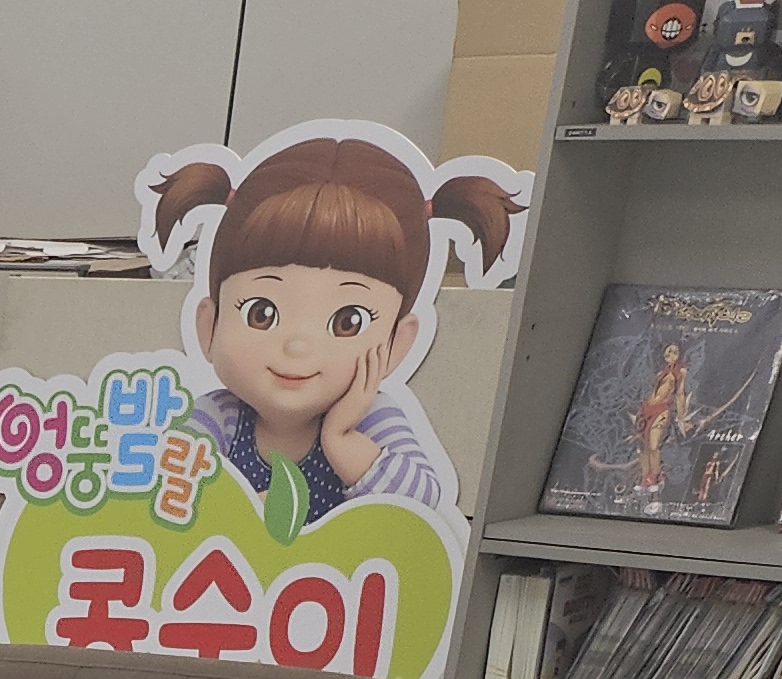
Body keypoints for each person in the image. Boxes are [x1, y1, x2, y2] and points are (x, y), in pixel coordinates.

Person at [143, 135, 525, 537]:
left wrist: (340, 439)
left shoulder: (371, 417)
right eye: (261, 313)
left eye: (347, 322)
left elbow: (422, 504)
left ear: (396, 345)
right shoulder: (218, 415)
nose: (297, 346)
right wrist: (236, 511)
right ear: (209, 325)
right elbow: (162, 495)